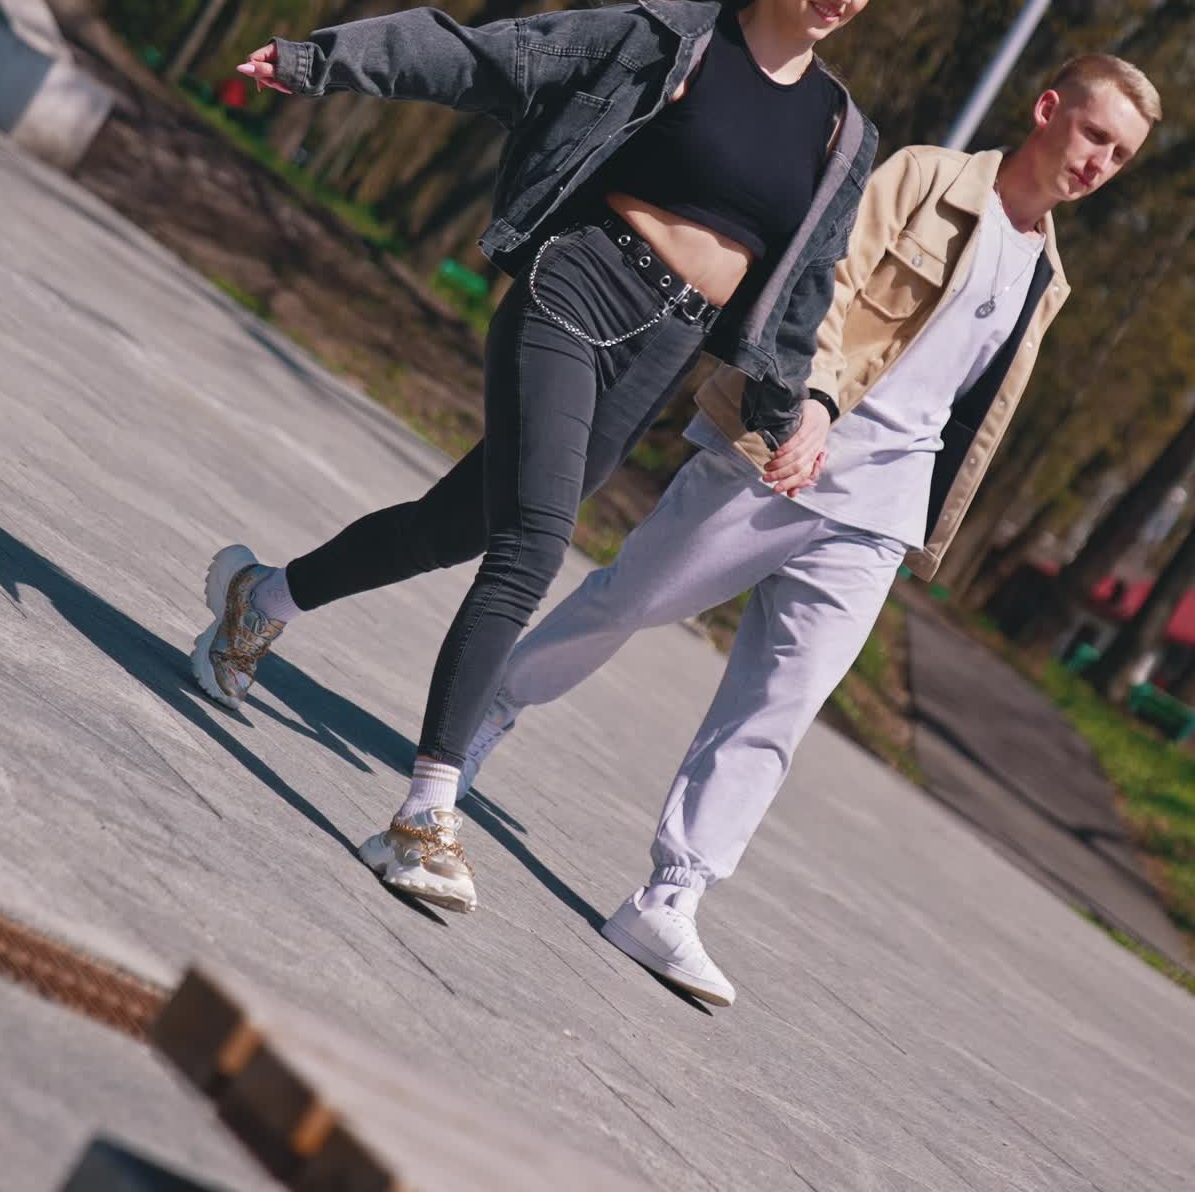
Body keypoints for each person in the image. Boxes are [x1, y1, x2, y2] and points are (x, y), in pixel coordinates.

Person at [190, 0, 899, 912]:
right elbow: (496, 59)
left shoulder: (840, 131)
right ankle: (423, 814)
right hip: (580, 285)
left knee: (458, 524)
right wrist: (324, 60)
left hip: (663, 346)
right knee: (532, 540)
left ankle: (259, 599)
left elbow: (805, 286)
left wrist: (793, 412)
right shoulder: (671, 39)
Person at [459, 54, 1161, 1002]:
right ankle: (481, 714)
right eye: (1093, 135)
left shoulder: (1048, 274)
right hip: (786, 455)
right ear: (1048, 111)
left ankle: (671, 895)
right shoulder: (924, 177)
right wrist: (813, 403)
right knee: (630, 601)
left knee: (777, 710)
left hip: (879, 515)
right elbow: (818, 285)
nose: (1098, 163)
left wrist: (925, 527)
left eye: (1118, 155)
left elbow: (965, 412)